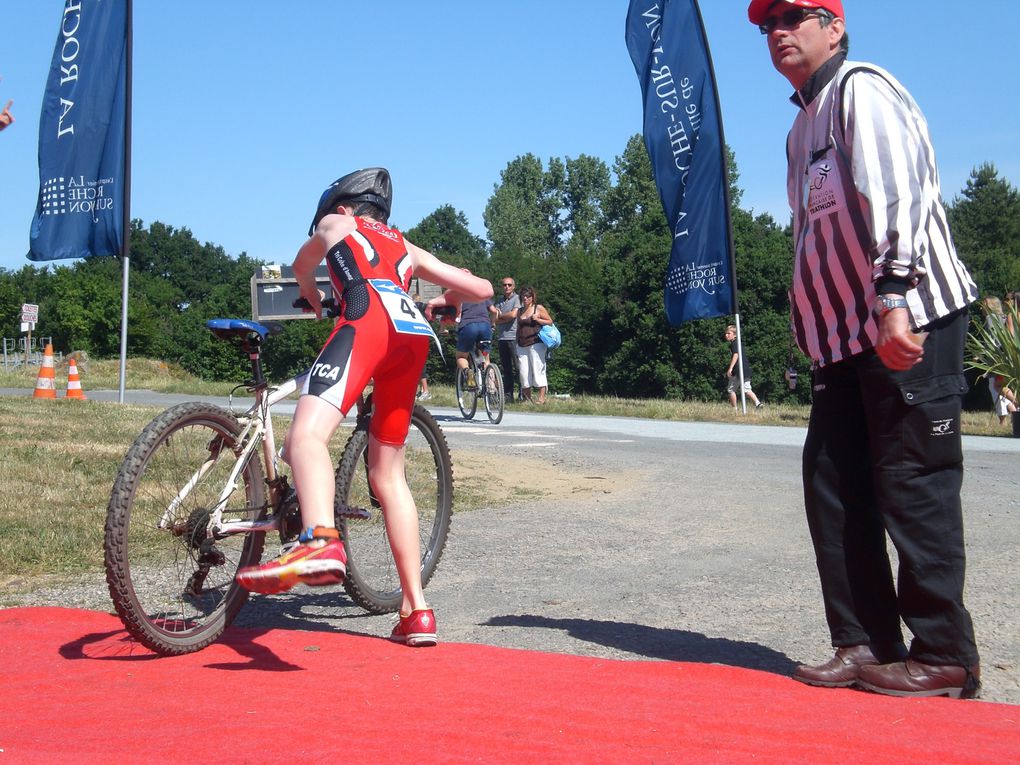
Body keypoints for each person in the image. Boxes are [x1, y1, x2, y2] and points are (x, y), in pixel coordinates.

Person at [749, 0, 981, 698]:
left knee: (912, 480)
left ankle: (944, 652)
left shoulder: (862, 89)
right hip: (845, 341)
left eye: (794, 16)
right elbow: (812, 238)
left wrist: (894, 296)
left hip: (906, 318)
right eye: (768, 25)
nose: (779, 32)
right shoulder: (799, 128)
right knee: (834, 483)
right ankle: (864, 640)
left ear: (834, 26)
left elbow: (901, 194)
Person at [235, 168, 492, 646]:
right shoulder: (405, 245)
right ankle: (417, 610)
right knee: (388, 474)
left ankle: (319, 541)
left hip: (367, 318)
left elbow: (302, 262)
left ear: (343, 208)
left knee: (307, 436)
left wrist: (312, 296)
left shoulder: (337, 224)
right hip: (413, 336)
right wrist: (445, 301)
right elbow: (483, 291)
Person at [982, 296, 1017, 425]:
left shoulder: (990, 318)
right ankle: (1013, 412)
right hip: (1008, 355)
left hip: (997, 357)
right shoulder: (1004, 318)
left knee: (996, 386)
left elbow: (992, 339)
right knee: (1002, 386)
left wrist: (985, 354)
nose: (981, 307)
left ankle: (1004, 418)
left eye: (984, 304)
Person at [515, 286, 553, 404]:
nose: (525, 298)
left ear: (532, 298)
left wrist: (538, 320)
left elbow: (550, 321)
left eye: (528, 296)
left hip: (536, 344)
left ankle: (541, 398)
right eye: (524, 296)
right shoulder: (519, 311)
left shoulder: (538, 308)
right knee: (524, 371)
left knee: (538, 370)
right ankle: (527, 399)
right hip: (522, 344)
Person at [491, 277, 521, 403]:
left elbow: (513, 315)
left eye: (509, 285)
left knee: (518, 368)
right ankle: (508, 395)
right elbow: (494, 319)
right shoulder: (499, 301)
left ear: (513, 286)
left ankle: (522, 393)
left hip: (513, 337)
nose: (507, 287)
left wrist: (501, 316)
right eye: (504, 285)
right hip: (502, 337)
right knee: (506, 368)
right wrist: (503, 317)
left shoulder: (517, 299)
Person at [455, 295, 495, 387]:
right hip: (485, 327)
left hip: (468, 327)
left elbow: (457, 316)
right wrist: (493, 323)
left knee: (461, 357)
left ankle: (467, 371)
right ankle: (492, 388)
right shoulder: (482, 295)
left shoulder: (460, 297)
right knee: (486, 359)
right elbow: (494, 311)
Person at [724, 325, 763, 410]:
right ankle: (758, 404)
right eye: (726, 333)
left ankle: (734, 409)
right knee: (747, 390)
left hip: (738, 369)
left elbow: (736, 355)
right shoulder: (738, 343)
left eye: (728, 333)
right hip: (745, 369)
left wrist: (730, 368)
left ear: (735, 335)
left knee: (731, 390)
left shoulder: (734, 343)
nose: (726, 335)